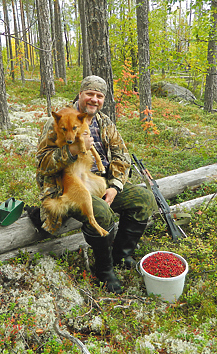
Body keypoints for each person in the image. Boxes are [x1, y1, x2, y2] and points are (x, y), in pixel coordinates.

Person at [35, 75, 156, 294]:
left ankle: (122, 255)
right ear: (80, 94)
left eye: (99, 96)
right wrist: (71, 151)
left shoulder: (104, 122)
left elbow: (122, 155)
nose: (94, 99)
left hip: (100, 181)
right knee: (101, 213)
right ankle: (104, 269)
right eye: (89, 94)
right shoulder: (60, 121)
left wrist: (115, 186)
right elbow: (42, 164)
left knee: (144, 199)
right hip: (68, 187)